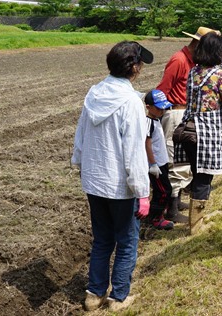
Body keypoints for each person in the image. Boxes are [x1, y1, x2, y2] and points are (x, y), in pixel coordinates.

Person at [71, 41, 153, 312]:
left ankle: (94, 294)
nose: (141, 68)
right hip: (121, 186)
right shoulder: (131, 102)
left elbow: (81, 135)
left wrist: (80, 163)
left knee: (103, 239)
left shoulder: (93, 94)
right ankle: (119, 297)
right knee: (127, 240)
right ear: (134, 68)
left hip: (94, 182)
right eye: (140, 64)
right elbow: (134, 151)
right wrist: (142, 191)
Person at [173, 31, 222, 235]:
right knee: (203, 179)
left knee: (197, 175)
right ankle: (196, 227)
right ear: (217, 52)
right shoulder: (218, 75)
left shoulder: (194, 71)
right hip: (203, 133)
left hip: (186, 129)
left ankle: (194, 219)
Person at [156, 27, 216, 223]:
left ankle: (176, 201)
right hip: (175, 112)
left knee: (184, 161)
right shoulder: (179, 60)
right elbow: (163, 89)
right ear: (198, 44)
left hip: (186, 113)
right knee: (174, 161)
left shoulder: (192, 62)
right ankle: (171, 209)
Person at [143, 89, 174, 231]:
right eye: (158, 108)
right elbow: (147, 143)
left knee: (163, 190)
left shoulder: (156, 120)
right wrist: (152, 164)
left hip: (162, 162)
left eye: (164, 107)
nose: (162, 110)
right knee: (163, 191)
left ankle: (159, 212)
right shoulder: (148, 122)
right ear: (148, 107)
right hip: (156, 165)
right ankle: (155, 218)